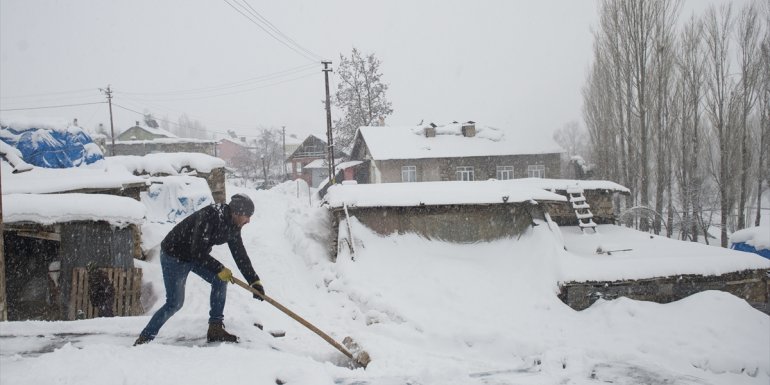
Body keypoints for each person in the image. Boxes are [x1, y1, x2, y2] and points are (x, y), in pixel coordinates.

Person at [134, 193, 265, 345]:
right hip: (174, 255)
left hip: (195, 255)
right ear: (237, 212)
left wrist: (254, 281)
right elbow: (198, 251)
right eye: (247, 216)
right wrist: (219, 268)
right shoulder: (210, 216)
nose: (248, 220)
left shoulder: (234, 226)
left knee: (219, 280)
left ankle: (215, 329)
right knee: (174, 303)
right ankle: (145, 338)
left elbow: (240, 254)